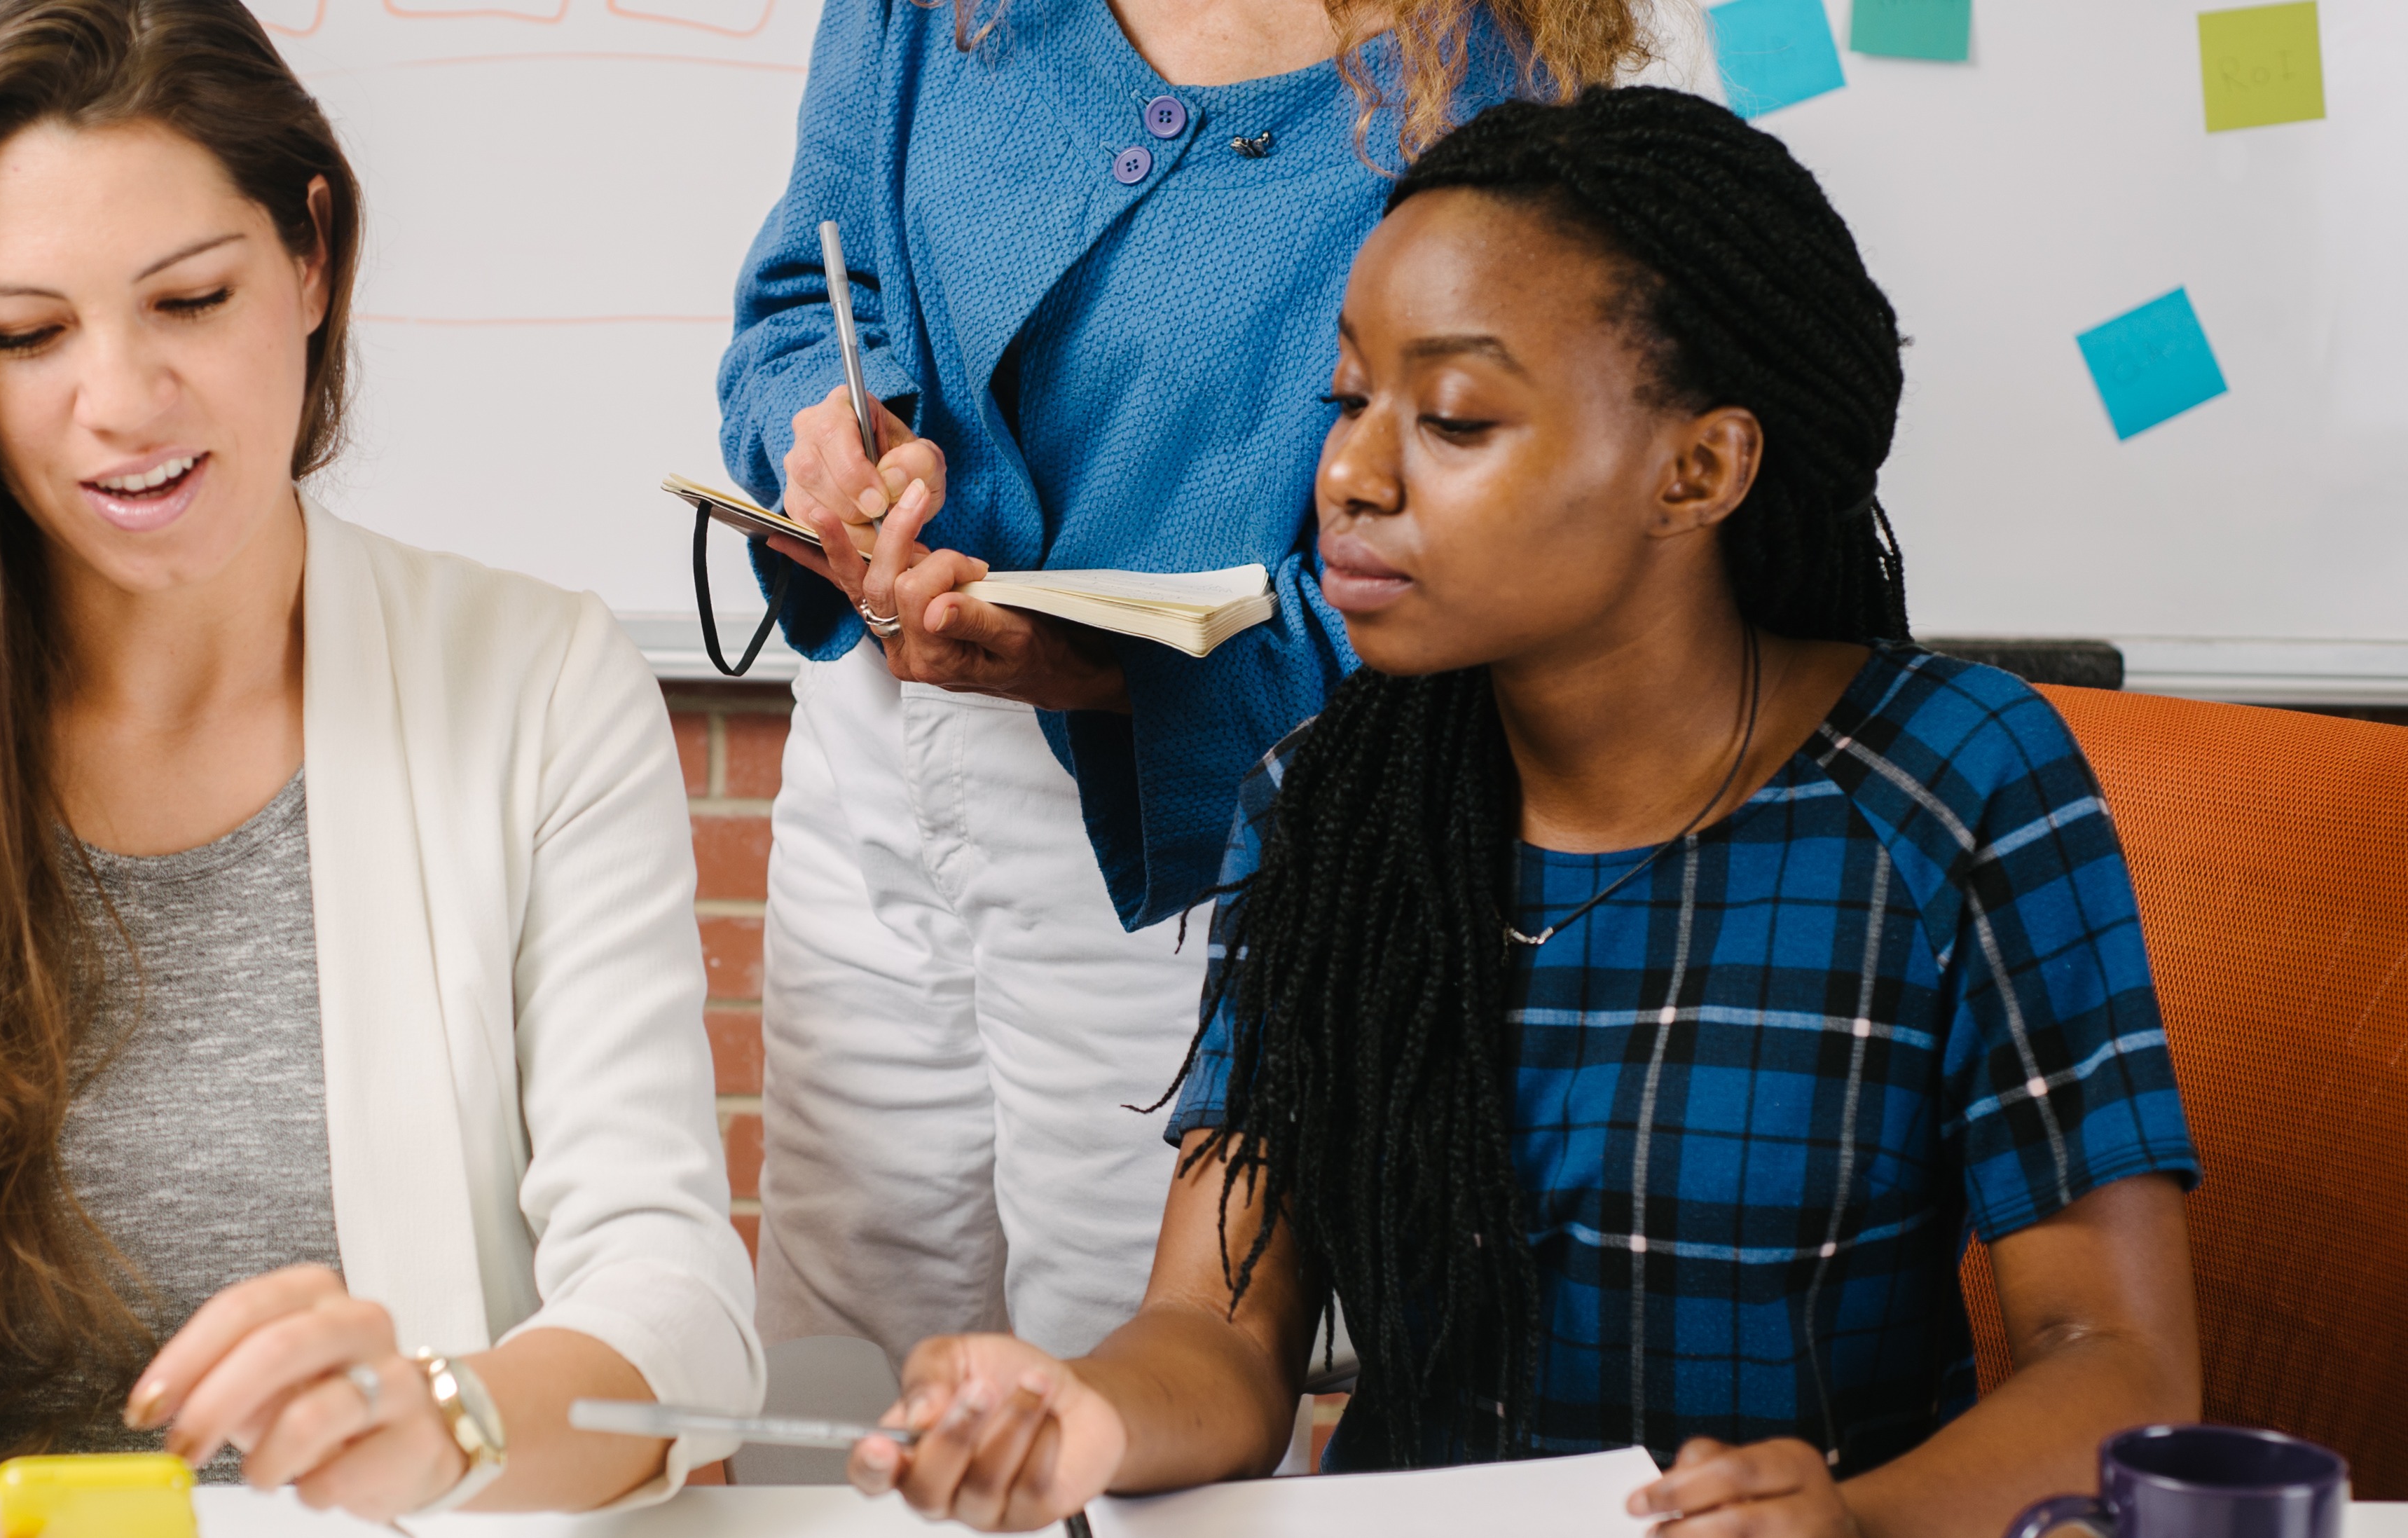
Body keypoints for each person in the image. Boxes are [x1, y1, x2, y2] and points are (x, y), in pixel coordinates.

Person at [845, 88, 2205, 1537]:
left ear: (1699, 470)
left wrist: (1857, 1522)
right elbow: (1223, 1337)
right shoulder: (1335, 806)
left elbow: (2117, 1369)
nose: (1351, 476)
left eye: (1450, 418)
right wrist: (1084, 1413)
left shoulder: (1959, 782)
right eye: (1348, 401)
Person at [0, 3, 759, 1533]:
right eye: (23, 334)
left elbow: (672, 1308)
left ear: (312, 257)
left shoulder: (533, 690)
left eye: (190, 301)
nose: (121, 403)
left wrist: (448, 1417)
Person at [715, 0, 1668, 1371]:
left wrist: (1102, 675)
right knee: (836, 1355)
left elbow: (1477, 574)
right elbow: (811, 298)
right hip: (869, 750)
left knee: (1121, 1382)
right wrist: (833, 438)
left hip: (1185, 837)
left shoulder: (1503, 96)